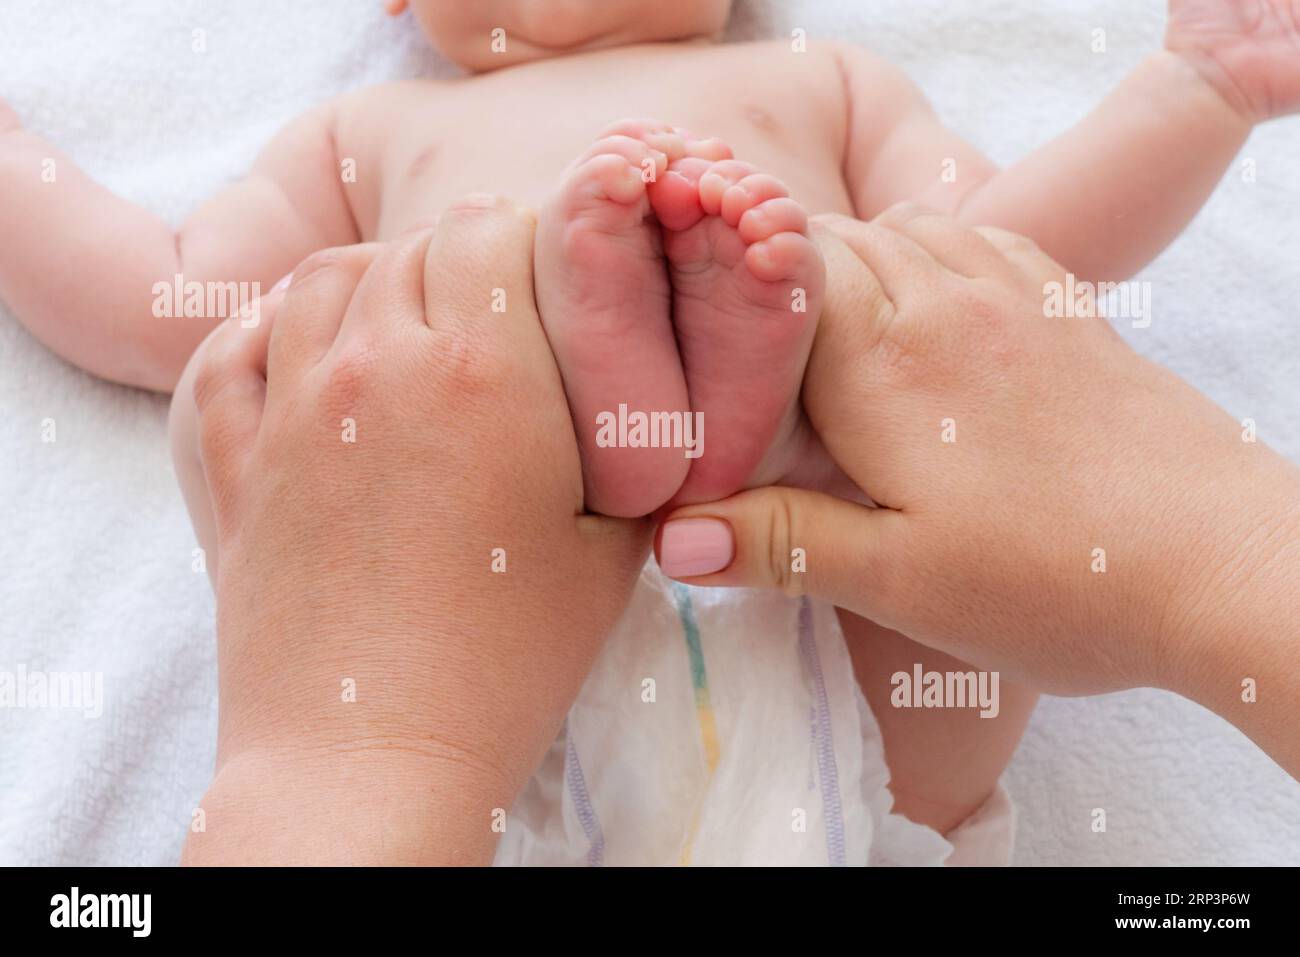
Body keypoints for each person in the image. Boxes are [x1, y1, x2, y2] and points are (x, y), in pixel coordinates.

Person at [182, 199, 1296, 865]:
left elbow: (1003, 256)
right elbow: (170, 285)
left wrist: (334, 762)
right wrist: (1222, 554)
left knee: (241, 386)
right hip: (539, 620)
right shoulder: (365, 127)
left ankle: (651, 423)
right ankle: (718, 423)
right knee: (238, 372)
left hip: (459, 686)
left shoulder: (828, 79)